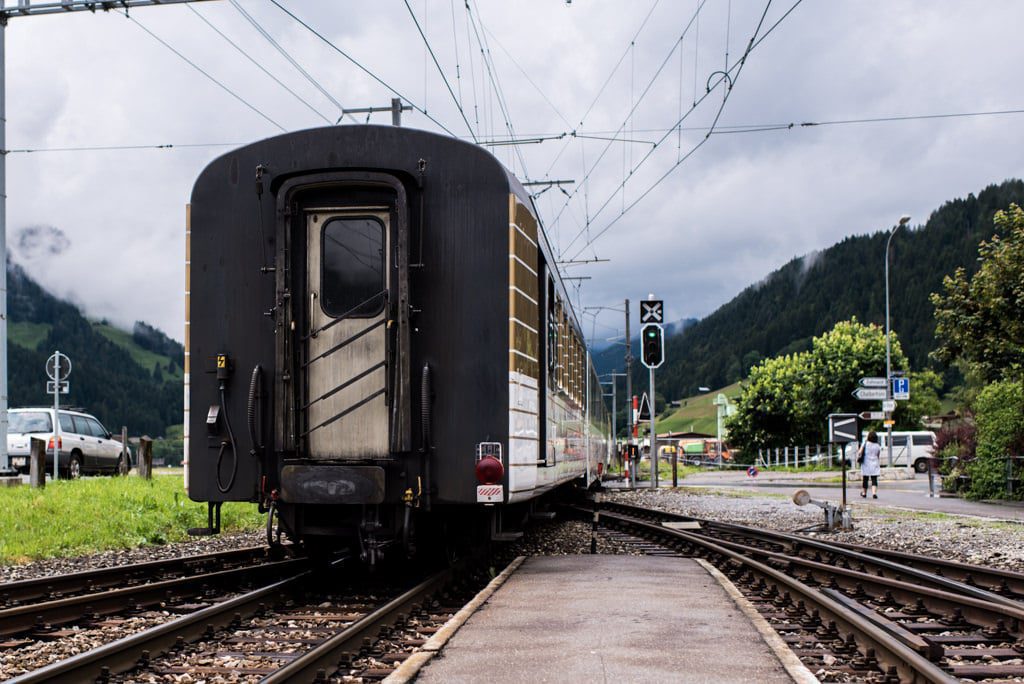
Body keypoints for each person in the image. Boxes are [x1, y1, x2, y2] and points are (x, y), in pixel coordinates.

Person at [858, 431, 882, 498]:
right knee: (874, 479)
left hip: (866, 463)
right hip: (875, 463)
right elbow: (878, 455)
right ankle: (874, 493)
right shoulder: (877, 445)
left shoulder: (865, 443)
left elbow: (860, 452)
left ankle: (864, 493)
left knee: (865, 478)